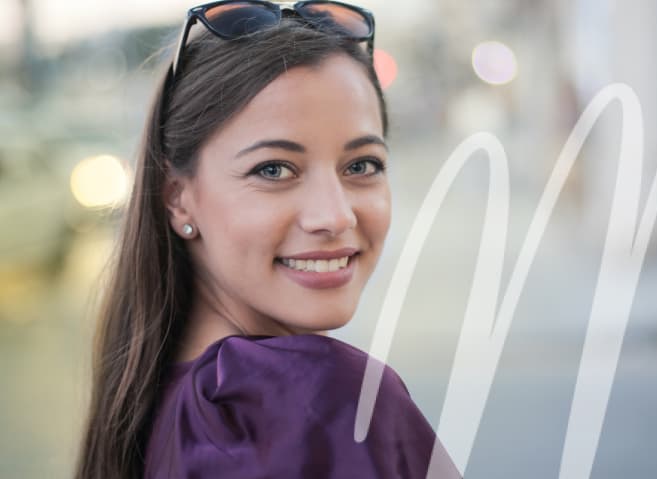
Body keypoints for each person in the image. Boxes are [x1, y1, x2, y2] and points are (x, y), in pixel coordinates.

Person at [73, 2, 462, 478]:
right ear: (178, 198)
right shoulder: (326, 401)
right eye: (274, 170)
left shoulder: (155, 407)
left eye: (361, 165)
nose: (335, 216)